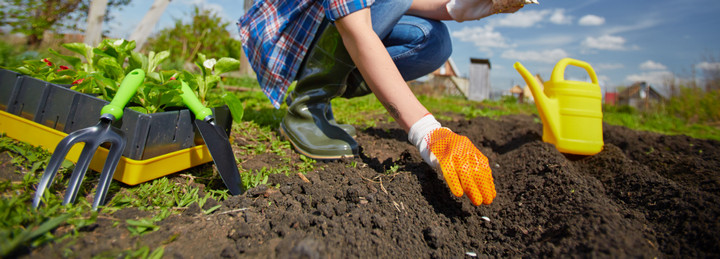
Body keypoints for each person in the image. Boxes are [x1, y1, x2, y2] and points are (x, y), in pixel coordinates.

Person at [238, 0, 533, 206]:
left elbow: (401, 3)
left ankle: (326, 92)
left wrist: (459, 7)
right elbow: (355, 25)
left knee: (434, 40)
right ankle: (306, 106)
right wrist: (428, 131)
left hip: (330, 27)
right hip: (287, 40)